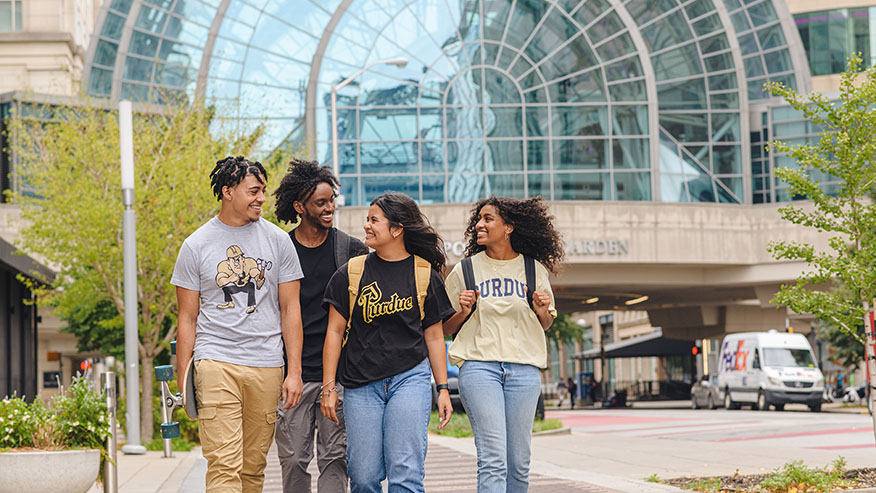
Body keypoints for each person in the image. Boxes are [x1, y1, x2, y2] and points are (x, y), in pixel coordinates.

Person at [172, 156, 304, 492]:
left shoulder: (278, 241)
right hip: (215, 361)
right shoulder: (196, 245)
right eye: (254, 191)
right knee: (223, 464)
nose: (261, 198)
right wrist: (184, 375)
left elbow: (290, 310)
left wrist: (295, 371)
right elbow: (187, 317)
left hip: (267, 364)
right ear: (228, 191)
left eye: (262, 191)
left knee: (252, 468)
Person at [320, 192, 455, 493]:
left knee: (406, 473)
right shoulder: (351, 274)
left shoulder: (424, 275)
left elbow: (434, 335)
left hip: (409, 379)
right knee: (364, 477)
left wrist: (443, 388)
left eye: (374, 220)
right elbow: (334, 333)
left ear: (397, 229)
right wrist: (329, 386)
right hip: (360, 384)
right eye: (367, 219)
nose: (366, 226)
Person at [443, 196, 563, 493]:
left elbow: (546, 323)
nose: (479, 225)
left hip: (523, 371)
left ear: (508, 227)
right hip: (479, 368)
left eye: (488, 219)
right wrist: (462, 311)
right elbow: (444, 329)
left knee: (519, 462)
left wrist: (540, 309)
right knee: (494, 459)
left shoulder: (534, 270)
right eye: (479, 219)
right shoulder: (465, 270)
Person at [272, 159, 368, 492]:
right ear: (299, 207)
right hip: (292, 377)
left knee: (334, 460)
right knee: (294, 460)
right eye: (320, 203)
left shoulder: (352, 251)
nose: (330, 208)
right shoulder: (281, 250)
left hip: (338, 377)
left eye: (332, 201)